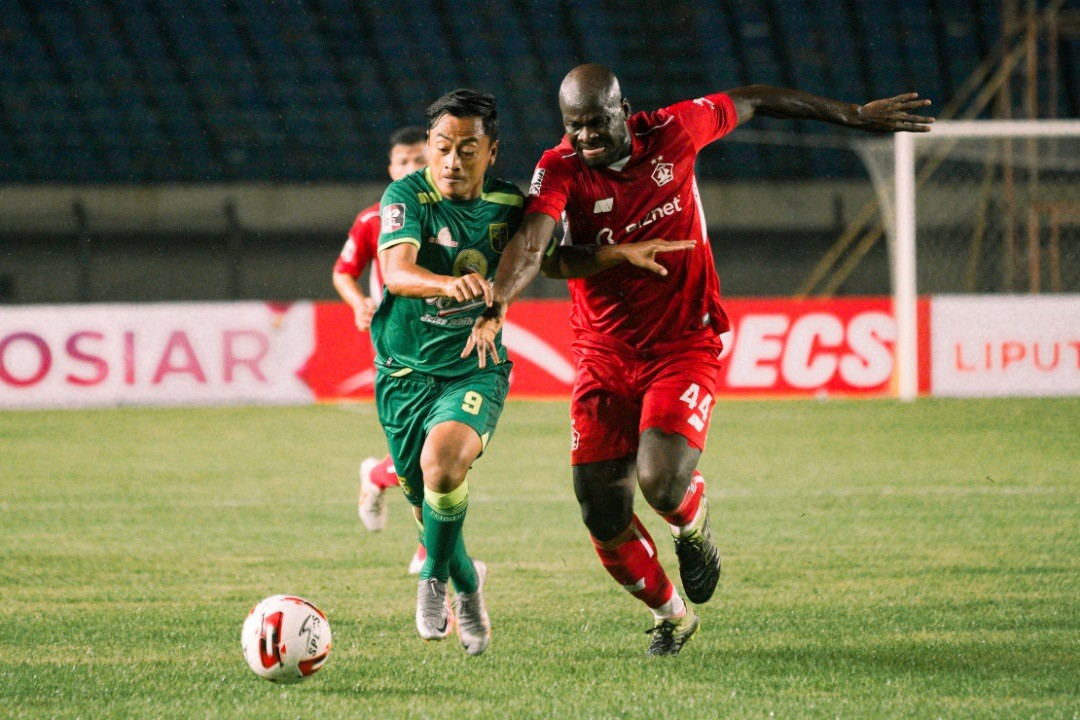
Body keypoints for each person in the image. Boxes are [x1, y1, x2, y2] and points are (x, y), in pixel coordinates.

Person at [464, 63, 934, 656]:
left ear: (623, 109)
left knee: (661, 482)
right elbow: (534, 242)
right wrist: (499, 301)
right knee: (601, 510)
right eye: (573, 127)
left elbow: (756, 99)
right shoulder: (558, 168)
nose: (585, 138)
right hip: (603, 353)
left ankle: (692, 524)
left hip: (684, 339)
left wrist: (853, 115)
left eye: (596, 123)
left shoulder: (676, 131)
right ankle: (672, 616)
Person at [372, 88, 525, 656]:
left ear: (491, 152)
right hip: (402, 373)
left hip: (472, 368)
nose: (452, 161)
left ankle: (431, 579)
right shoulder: (406, 195)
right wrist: (447, 284)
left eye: (467, 149)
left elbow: (542, 257)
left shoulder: (511, 205)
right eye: (442, 148)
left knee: (443, 467)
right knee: (430, 507)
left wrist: (612, 255)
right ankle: (467, 584)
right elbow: (396, 272)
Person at [332, 126, 429, 574]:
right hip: (400, 344)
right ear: (391, 169)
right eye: (403, 162)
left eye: (418, 159)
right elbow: (343, 272)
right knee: (426, 455)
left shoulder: (457, 212)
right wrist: (359, 303)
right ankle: (380, 478)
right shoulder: (375, 219)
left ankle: (379, 478)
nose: (411, 169)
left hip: (451, 340)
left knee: (448, 450)